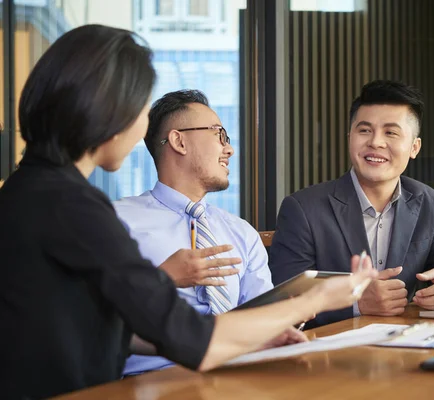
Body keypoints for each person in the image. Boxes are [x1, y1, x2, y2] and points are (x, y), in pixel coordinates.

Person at [0, 24, 377, 399]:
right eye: (140, 107)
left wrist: (249, 338)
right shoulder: (77, 208)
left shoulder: (26, 191)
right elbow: (191, 338)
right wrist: (319, 298)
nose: (142, 125)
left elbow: (91, 327)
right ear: (107, 110)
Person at [269, 80, 434, 328]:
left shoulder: (428, 202)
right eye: (365, 130)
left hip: (405, 350)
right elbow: (282, 301)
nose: (376, 142)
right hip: (331, 355)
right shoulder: (303, 208)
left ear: (414, 147)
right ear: (350, 138)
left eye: (391, 132)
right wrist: (356, 305)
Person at [114, 90, 273, 375]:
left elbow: (262, 318)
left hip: (234, 375)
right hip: (146, 382)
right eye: (218, 135)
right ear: (179, 141)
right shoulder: (118, 222)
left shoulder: (241, 233)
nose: (229, 149)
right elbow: (92, 317)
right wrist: (161, 278)